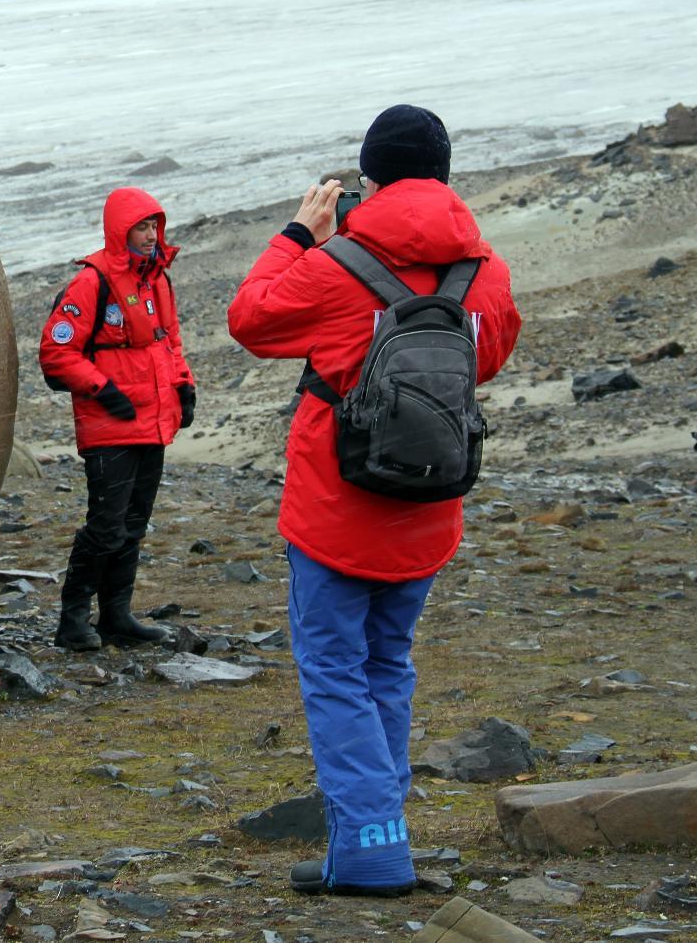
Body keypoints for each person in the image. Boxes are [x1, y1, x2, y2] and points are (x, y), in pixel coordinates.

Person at [227, 105, 521, 897]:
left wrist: (297, 236)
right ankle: (378, 827)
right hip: (429, 505)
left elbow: (249, 322)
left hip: (334, 507)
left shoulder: (337, 263)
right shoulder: (483, 270)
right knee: (387, 663)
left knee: (332, 670)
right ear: (445, 175)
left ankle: (371, 848)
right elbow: (485, 359)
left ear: (370, 177)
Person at [39, 186, 196, 651]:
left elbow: (169, 342)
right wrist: (103, 390)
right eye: (141, 227)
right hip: (110, 426)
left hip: (153, 421)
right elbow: (56, 352)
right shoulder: (92, 282)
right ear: (119, 231)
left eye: (154, 226)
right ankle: (73, 620)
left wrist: (183, 385)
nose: (150, 236)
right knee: (106, 525)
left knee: (133, 522)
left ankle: (116, 617)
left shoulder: (157, 278)